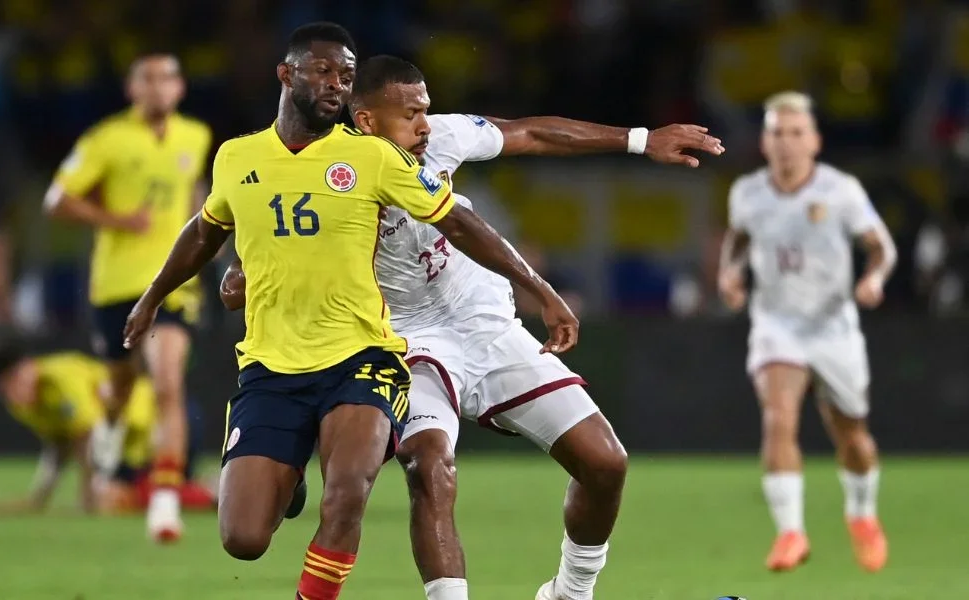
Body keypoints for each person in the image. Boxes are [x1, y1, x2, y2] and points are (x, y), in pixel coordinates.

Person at [219, 55, 724, 600]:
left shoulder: (440, 141)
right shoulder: (329, 171)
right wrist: (242, 271)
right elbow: (273, 233)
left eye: (427, 110)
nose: (426, 125)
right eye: (411, 113)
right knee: (429, 463)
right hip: (405, 340)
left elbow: (529, 133)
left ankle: (570, 592)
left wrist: (640, 140)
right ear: (367, 121)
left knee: (605, 464)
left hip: (486, 324)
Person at [122, 23, 578, 600]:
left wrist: (539, 288)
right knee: (243, 538)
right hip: (272, 365)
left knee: (348, 493)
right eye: (323, 70)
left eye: (346, 73)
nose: (337, 83)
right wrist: (153, 296)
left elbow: (457, 221)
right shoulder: (237, 157)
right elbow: (206, 227)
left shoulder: (370, 157)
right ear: (286, 75)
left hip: (361, 358)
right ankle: (286, 483)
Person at [717, 91, 896, 573]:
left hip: (833, 327)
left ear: (814, 141)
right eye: (777, 132)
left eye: (797, 133)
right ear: (764, 140)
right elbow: (737, 241)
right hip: (777, 325)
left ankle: (862, 515)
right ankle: (791, 532)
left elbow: (882, 248)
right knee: (778, 416)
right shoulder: (747, 193)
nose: (787, 143)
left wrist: (873, 278)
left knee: (852, 437)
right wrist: (729, 275)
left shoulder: (841, 190)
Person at [43, 53, 213, 541]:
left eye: (168, 78)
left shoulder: (196, 137)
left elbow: (195, 199)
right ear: (132, 89)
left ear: (180, 89)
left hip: (173, 287)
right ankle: (110, 430)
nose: (160, 87)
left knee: (166, 383)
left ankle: (164, 500)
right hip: (115, 285)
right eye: (149, 79)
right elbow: (56, 200)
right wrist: (116, 221)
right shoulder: (107, 139)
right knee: (120, 387)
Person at [0, 341, 216, 516]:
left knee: (123, 499)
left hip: (167, 423)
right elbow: (59, 446)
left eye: (15, 379)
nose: (14, 391)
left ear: (29, 366)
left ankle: (215, 492)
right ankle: (209, 489)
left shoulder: (62, 377)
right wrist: (38, 500)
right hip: (128, 448)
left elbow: (88, 435)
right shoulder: (22, 405)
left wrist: (87, 497)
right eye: (5, 388)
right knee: (117, 499)